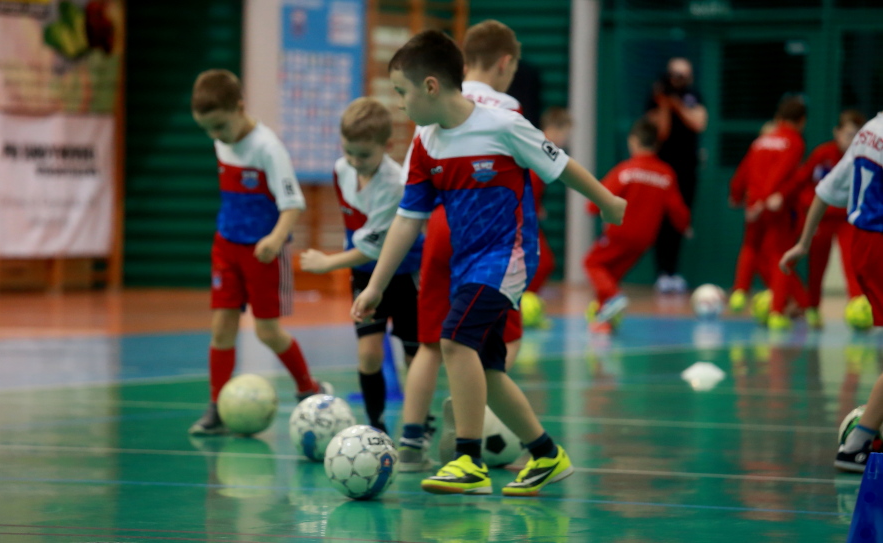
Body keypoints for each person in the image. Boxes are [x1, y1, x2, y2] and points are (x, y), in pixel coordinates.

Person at [352, 30, 626, 496]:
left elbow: (560, 164)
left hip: (508, 257)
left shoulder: (503, 125)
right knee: (489, 369)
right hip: (467, 264)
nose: (399, 104)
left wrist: (607, 201)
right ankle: (547, 455)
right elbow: (407, 220)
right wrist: (376, 285)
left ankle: (468, 460)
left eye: (402, 92)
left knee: (454, 340)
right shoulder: (426, 143)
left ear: (431, 87)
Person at [395, 19, 527, 472]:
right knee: (502, 339)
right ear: (505, 64)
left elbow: (410, 188)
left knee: (431, 342)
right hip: (487, 232)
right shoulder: (508, 110)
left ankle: (410, 441)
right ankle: (477, 414)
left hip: (436, 227)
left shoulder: (431, 104)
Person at [188, 69, 329, 436]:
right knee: (221, 328)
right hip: (226, 247)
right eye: (207, 129)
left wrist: (275, 239)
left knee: (267, 331)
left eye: (220, 126)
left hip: (264, 252)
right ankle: (217, 407)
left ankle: (308, 388)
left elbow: (293, 203)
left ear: (240, 107)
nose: (215, 135)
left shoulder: (268, 148)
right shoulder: (221, 141)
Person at [299, 97, 422, 433]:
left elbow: (372, 248)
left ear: (387, 146)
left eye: (364, 155)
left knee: (414, 357)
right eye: (348, 151)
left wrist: (327, 262)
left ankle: (419, 422)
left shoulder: (394, 185)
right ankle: (376, 426)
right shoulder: (342, 170)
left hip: (404, 273)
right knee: (368, 354)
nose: (355, 161)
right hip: (364, 275)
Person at [780, 110, 883, 472]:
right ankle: (859, 442)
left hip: (863, 246)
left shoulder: (871, 130)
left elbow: (825, 190)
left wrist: (803, 243)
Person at [583, 118, 691, 333]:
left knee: (592, 263)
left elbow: (596, 202)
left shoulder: (626, 170)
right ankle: (604, 320)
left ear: (633, 141)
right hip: (644, 240)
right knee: (610, 276)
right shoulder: (666, 174)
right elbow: (678, 210)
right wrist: (684, 226)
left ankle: (613, 298)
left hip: (619, 234)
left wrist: (594, 209)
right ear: (656, 144)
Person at [728, 96, 809, 330]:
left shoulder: (761, 141)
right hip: (774, 207)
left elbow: (743, 171)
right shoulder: (794, 141)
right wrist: (768, 199)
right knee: (780, 258)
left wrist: (739, 196)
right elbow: (782, 172)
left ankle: (739, 291)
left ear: (778, 117)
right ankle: (776, 313)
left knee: (749, 246)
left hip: (754, 204)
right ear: (802, 121)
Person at [786, 110, 866, 328]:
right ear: (836, 132)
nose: (851, 140)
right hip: (822, 219)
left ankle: (859, 305)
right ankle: (813, 308)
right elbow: (802, 179)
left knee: (853, 262)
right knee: (817, 265)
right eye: (848, 134)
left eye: (857, 135)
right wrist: (795, 203)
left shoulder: (864, 159)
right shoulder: (823, 154)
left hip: (848, 219)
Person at [646, 58, 707, 293]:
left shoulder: (694, 96)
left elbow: (699, 123)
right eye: (674, 74)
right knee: (661, 220)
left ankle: (674, 271)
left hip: (686, 169)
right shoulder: (656, 97)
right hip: (662, 168)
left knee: (681, 218)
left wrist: (677, 104)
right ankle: (662, 272)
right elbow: (661, 131)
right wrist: (665, 104)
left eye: (684, 75)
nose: (678, 79)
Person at [527, 107, 573, 295]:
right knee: (544, 262)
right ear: (554, 129)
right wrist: (532, 206)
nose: (567, 141)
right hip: (521, 214)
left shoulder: (540, 148)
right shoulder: (542, 149)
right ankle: (522, 298)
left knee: (543, 262)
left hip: (526, 211)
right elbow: (527, 180)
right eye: (566, 134)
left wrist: (537, 206)